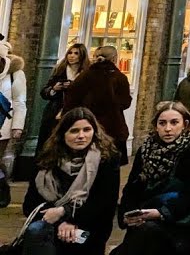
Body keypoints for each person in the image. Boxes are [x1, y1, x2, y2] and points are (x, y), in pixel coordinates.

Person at [113, 102, 190, 255]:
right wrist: (127, 216)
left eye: (174, 122)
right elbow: (132, 188)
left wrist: (161, 213)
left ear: (185, 124)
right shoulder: (146, 149)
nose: (168, 129)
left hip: (180, 220)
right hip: (145, 216)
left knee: (146, 237)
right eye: (162, 123)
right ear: (156, 126)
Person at [21, 107, 122, 255]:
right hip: (52, 225)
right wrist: (60, 222)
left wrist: (67, 215)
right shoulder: (47, 161)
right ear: (63, 134)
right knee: (36, 232)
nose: (81, 136)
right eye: (74, 131)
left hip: (88, 226)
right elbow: (30, 205)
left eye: (87, 130)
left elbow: (105, 204)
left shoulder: (107, 160)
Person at [63, 46, 131, 160]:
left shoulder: (85, 75)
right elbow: (125, 103)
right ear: (114, 58)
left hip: (87, 122)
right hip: (112, 125)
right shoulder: (119, 77)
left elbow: (72, 96)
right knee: (110, 162)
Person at [37, 44, 87, 152]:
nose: (72, 56)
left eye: (76, 53)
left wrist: (74, 87)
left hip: (75, 111)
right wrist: (54, 89)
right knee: (50, 142)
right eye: (70, 53)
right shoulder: (60, 70)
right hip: (55, 110)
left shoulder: (86, 74)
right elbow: (44, 92)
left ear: (82, 56)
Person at [0, 39, 27, 207]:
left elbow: (19, 101)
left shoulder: (15, 73)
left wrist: (18, 125)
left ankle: (2, 189)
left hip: (3, 123)